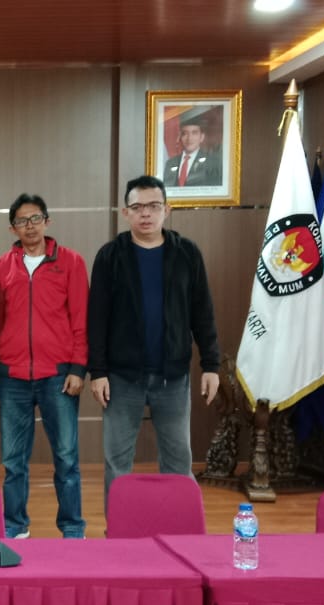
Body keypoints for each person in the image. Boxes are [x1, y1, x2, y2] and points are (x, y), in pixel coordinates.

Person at [88, 175, 221, 512]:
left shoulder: (187, 253)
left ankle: (179, 529)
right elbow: (97, 319)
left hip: (172, 378)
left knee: (178, 461)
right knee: (117, 463)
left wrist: (211, 365)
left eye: (153, 206)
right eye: (137, 207)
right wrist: (98, 372)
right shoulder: (110, 256)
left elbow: (203, 313)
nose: (145, 213)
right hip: (121, 379)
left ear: (167, 210)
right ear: (125, 212)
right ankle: (119, 530)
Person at [0, 194, 89, 539]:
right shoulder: (3, 266)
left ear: (47, 222)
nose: (30, 226)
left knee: (66, 458)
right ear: (12, 228)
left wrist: (78, 368)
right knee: (13, 462)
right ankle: (15, 526)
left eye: (36, 218)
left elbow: (80, 319)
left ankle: (72, 528)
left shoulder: (70, 262)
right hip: (12, 377)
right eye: (22, 221)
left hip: (58, 375)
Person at [162, 116, 222, 188]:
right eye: (185, 133)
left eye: (194, 133)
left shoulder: (212, 162)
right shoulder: (170, 163)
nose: (189, 138)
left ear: (201, 137)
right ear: (180, 137)